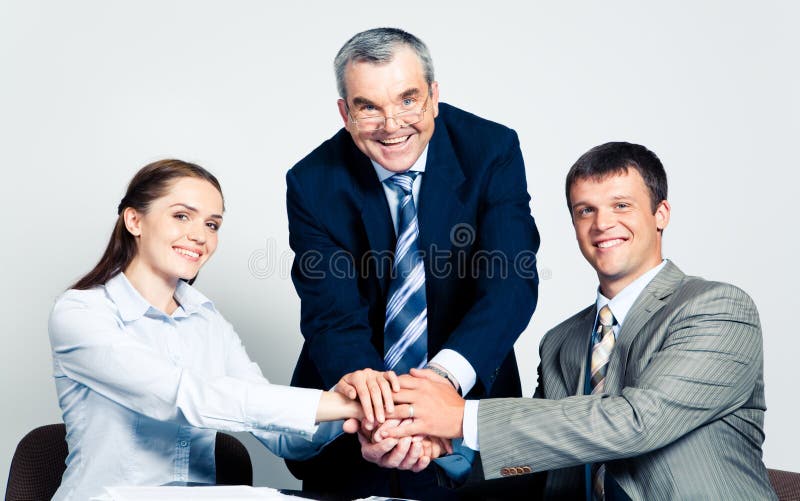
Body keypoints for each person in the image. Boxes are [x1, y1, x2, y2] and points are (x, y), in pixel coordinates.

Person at [376, 142, 775, 500]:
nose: (602, 224)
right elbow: (540, 455)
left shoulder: (718, 308)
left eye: (621, 205)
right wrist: (449, 447)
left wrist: (463, 416)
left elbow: (635, 422)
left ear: (661, 214)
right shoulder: (561, 341)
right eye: (586, 210)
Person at [48, 159, 404, 501]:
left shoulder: (207, 320)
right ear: (134, 220)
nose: (199, 236)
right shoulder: (82, 313)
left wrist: (352, 407)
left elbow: (281, 435)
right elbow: (184, 398)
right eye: (182, 216)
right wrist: (335, 403)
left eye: (212, 224)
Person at [285, 27, 540, 499]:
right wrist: (378, 412)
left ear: (434, 96)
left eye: (408, 99)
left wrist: (441, 386)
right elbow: (331, 311)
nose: (392, 124)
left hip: (465, 420)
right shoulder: (311, 182)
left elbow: (510, 283)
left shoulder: (492, 151)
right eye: (368, 107)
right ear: (345, 112)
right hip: (355, 429)